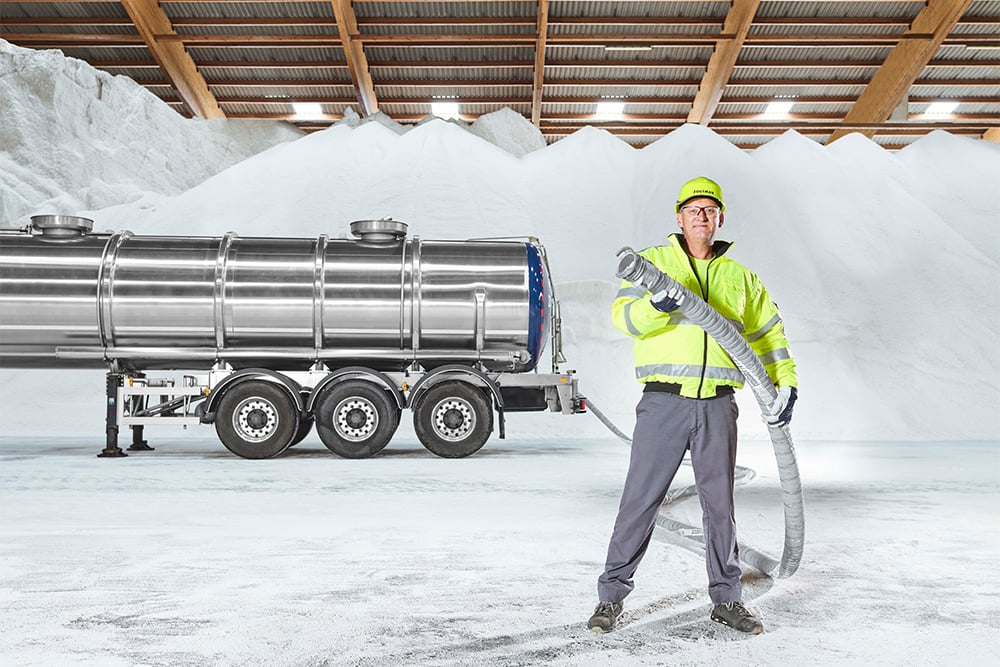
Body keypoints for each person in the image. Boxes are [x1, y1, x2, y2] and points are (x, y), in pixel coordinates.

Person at [587, 176, 798, 635]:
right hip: (664, 403)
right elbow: (623, 317)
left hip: (719, 407)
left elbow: (768, 337)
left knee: (719, 507)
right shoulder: (653, 264)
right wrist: (657, 305)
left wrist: (785, 385)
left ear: (721, 218)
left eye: (710, 209)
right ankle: (610, 597)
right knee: (640, 502)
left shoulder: (742, 278)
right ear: (679, 218)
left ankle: (727, 599)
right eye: (693, 208)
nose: (702, 216)